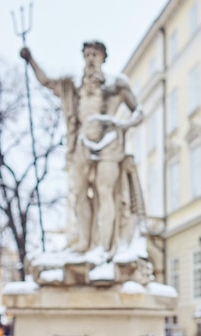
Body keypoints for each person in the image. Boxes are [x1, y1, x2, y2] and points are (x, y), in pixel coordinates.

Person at [20, 40, 144, 263]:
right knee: (78, 193)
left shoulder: (117, 84)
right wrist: (30, 61)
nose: (90, 58)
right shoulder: (74, 87)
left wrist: (118, 124)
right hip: (81, 143)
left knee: (105, 192)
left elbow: (139, 112)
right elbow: (46, 81)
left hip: (108, 142)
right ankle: (84, 243)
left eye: (95, 54)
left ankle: (105, 247)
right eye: (87, 54)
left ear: (103, 58)